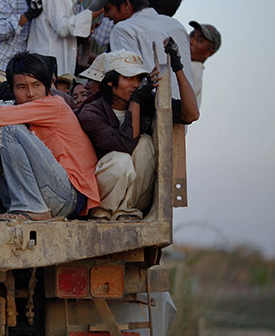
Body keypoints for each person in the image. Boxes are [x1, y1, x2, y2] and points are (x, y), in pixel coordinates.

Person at [78, 45, 199, 222]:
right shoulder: (91, 113)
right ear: (111, 82)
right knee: (121, 161)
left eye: (139, 78)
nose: (136, 84)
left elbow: (191, 114)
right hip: (99, 196)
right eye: (129, 78)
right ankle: (102, 212)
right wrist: (136, 100)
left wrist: (178, 68)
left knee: (144, 143)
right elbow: (124, 145)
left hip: (133, 202)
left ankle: (127, 210)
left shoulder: (144, 99)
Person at [0, 52, 100, 221]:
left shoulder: (53, 104)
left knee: (9, 131)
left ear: (47, 87)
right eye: (22, 87)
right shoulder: (27, 111)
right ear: (12, 89)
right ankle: (17, 207)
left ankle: (30, 207)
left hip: (70, 195)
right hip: (53, 193)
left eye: (36, 85)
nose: (30, 93)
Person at [89, 0, 196, 100]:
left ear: (127, 3)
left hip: (150, 112)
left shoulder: (123, 29)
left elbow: (129, 82)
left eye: (108, 9)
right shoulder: (176, 25)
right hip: (184, 110)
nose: (106, 15)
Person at [188, 20, 222, 107]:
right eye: (192, 35)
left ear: (209, 53)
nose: (191, 41)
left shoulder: (191, 70)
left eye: (200, 40)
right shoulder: (190, 68)